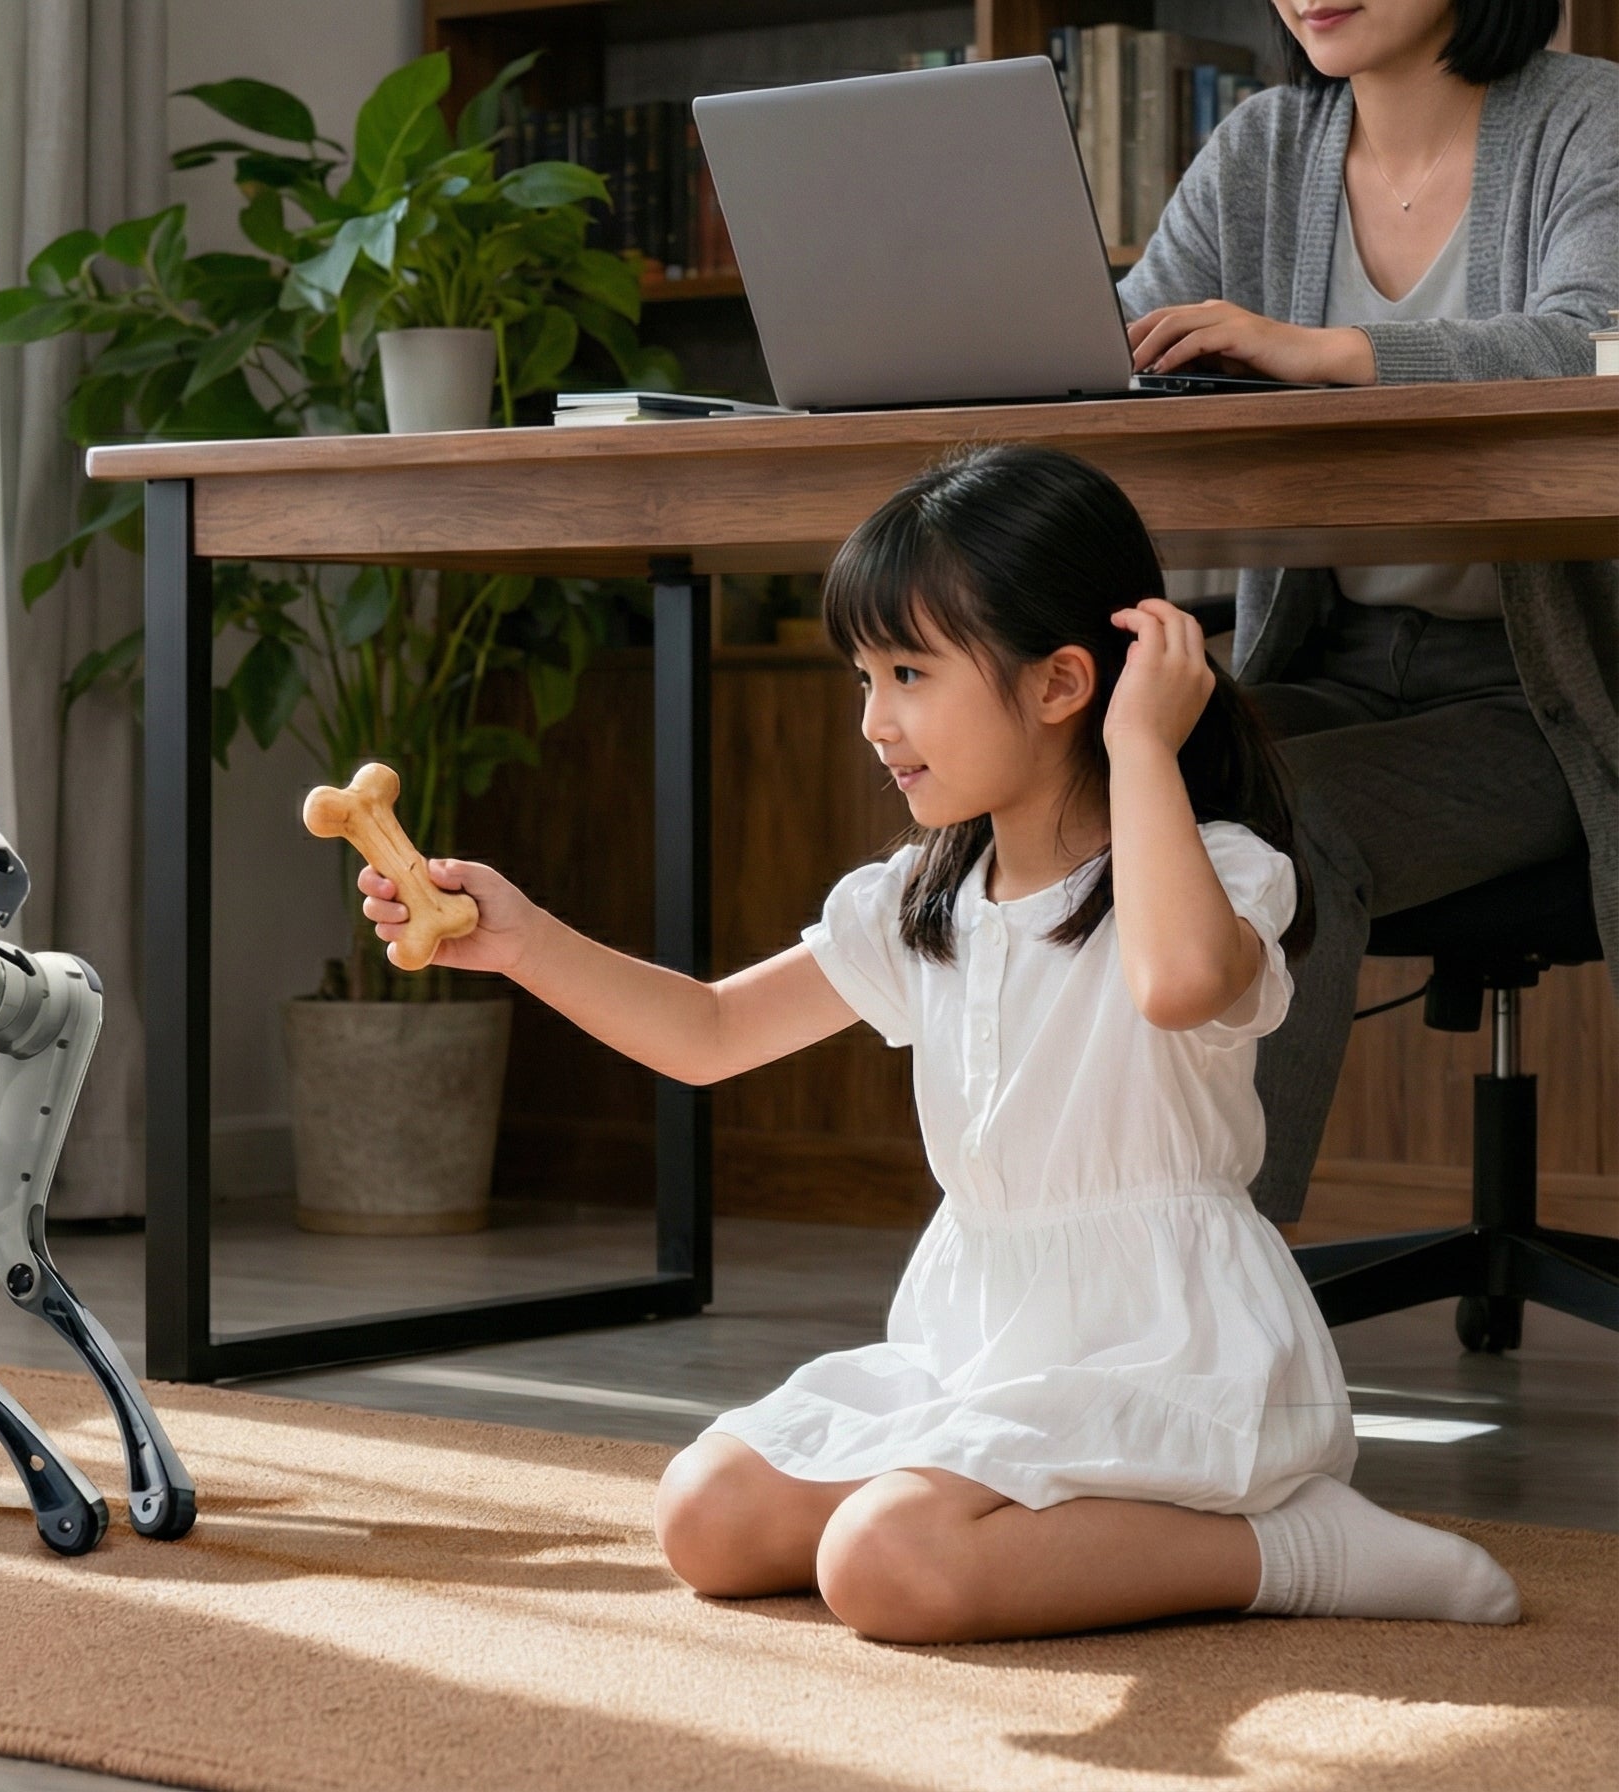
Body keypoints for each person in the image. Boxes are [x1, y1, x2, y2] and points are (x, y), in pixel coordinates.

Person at [355, 446, 1520, 1643]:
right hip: (986, 1332)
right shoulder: (921, 895)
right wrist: (525, 938)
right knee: (706, 1518)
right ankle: (1012, 1523)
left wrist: (1143, 752)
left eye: (908, 672)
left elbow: (1176, 985)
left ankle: (1291, 1546)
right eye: (865, 675)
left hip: (1166, 1341)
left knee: (887, 1565)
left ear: (1067, 682)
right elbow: (710, 1032)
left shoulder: (1214, 868)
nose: (873, 719)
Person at [1120, 0, 1619, 1224]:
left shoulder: (1592, 118)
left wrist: (1329, 352)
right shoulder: (1263, 145)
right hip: (1332, 657)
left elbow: (1593, 343)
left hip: (1547, 697)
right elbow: (1117, 364)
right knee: (1083, 787)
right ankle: (1067, 1253)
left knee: (1295, 819)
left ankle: (1223, 1293)